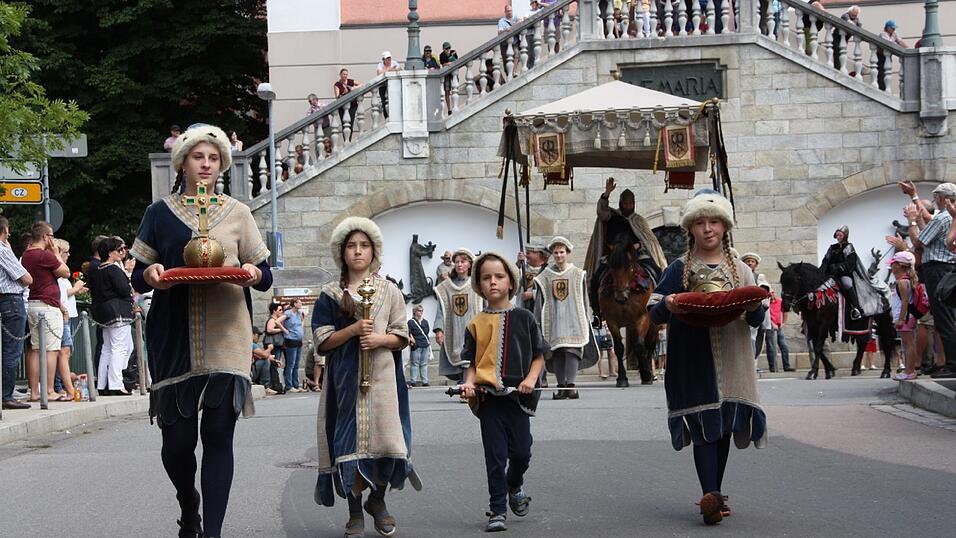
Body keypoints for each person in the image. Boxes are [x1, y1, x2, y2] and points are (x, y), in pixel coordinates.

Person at [130, 123, 273, 538]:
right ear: (183, 162)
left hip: (227, 331)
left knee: (217, 434)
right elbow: (140, 274)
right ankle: (187, 502)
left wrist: (251, 273)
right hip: (172, 332)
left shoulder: (239, 213)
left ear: (222, 163)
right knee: (177, 444)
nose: (206, 164)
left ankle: (213, 533)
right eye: (198, 157)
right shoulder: (159, 213)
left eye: (213, 157)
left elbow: (264, 274)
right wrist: (152, 274)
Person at [649, 189, 767, 525]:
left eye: (714, 221)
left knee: (724, 427)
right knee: (704, 428)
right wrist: (667, 304)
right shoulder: (678, 269)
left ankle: (714, 494)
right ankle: (711, 495)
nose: (707, 228)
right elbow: (654, 313)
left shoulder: (742, 270)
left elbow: (756, 320)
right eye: (700, 222)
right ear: (691, 228)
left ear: (725, 226)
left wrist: (753, 306)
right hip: (693, 358)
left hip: (732, 357)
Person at [311, 216, 421, 537]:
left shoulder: (391, 291)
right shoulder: (330, 294)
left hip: (384, 380)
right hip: (345, 382)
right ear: (342, 252)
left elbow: (401, 335)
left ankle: (378, 500)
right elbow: (322, 340)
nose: (358, 251)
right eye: (351, 246)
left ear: (374, 251)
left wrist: (379, 339)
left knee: (387, 442)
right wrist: (353, 330)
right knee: (350, 444)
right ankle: (354, 511)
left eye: (364, 245)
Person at [460, 251, 546, 532]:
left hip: (518, 399)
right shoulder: (475, 323)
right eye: (486, 278)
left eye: (499, 276)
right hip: (489, 402)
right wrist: (468, 384)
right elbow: (472, 364)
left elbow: (539, 356)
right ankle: (497, 510)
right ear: (479, 284)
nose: (493, 282)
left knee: (521, 453)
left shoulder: (525, 318)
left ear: (511, 281)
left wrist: (530, 379)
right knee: (495, 457)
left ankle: (515, 484)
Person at [585, 177, 666, 320]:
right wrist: (606, 194)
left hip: (636, 255)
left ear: (634, 204)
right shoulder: (612, 216)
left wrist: (638, 245)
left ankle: (659, 306)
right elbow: (601, 212)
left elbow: (647, 240)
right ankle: (597, 313)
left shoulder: (639, 220)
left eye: (630, 203)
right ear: (620, 203)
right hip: (613, 256)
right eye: (625, 203)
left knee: (657, 271)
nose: (628, 206)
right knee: (595, 279)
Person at [533, 236, 597, 399]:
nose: (559, 255)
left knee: (572, 351)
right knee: (557, 352)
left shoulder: (578, 274)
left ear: (567, 253)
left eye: (561, 252)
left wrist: (587, 316)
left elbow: (584, 298)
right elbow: (539, 301)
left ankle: (571, 386)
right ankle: (561, 386)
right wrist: (537, 320)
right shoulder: (545, 276)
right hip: (553, 319)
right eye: (556, 253)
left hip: (573, 318)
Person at [22, 221, 70, 402]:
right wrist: (56, 253)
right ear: (44, 237)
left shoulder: (26, 255)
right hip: (48, 306)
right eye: (51, 236)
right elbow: (65, 272)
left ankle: (34, 391)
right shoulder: (45, 255)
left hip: (33, 303)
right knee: (51, 350)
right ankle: (49, 390)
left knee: (35, 349)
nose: (53, 240)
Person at [89, 236, 135, 395]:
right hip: (118, 311)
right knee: (119, 348)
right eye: (119, 249)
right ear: (110, 253)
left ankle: (103, 384)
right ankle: (116, 384)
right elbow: (124, 290)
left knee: (107, 348)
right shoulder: (113, 269)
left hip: (103, 311)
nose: (123, 252)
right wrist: (128, 274)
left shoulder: (97, 270)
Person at [434, 248, 483, 381]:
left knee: (472, 358)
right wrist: (439, 330)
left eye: (463, 261)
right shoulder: (446, 287)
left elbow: (485, 306)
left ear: (470, 264)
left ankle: (468, 383)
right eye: (457, 262)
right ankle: (464, 383)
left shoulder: (478, 284)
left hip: (473, 328)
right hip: (454, 329)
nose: (459, 264)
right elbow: (442, 309)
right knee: (459, 359)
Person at [820, 225, 887, 321]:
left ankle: (855, 308)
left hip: (843, 274)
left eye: (840, 235)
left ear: (845, 236)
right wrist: (821, 271)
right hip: (830, 274)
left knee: (847, 284)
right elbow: (825, 260)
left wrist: (837, 267)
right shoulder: (832, 247)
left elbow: (851, 263)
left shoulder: (849, 247)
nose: (838, 237)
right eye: (837, 235)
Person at [0, 216, 32, 410]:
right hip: (11, 300)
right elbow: (26, 278)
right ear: (4, 231)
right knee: (12, 350)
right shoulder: (3, 250)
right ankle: (6, 395)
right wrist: (10, 251)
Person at [55, 239, 85, 399]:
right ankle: (62, 387)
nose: (68, 255)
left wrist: (77, 291)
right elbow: (60, 295)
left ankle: (62, 385)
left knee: (65, 351)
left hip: (68, 314)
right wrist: (76, 288)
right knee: (63, 351)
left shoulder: (63, 276)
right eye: (66, 252)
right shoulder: (59, 274)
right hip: (62, 315)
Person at [517, 244, 550, 312]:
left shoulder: (547, 272)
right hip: (522, 309)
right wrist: (518, 264)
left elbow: (549, 292)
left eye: (528, 253)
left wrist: (533, 294)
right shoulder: (523, 269)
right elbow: (513, 285)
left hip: (539, 311)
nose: (526, 256)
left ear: (541, 256)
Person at [283, 299, 305, 392]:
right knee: (291, 363)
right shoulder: (288, 313)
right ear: (294, 304)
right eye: (299, 302)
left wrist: (301, 328)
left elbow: (302, 322)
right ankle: (289, 385)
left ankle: (296, 385)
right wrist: (285, 330)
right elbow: (277, 321)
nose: (301, 304)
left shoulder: (299, 313)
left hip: (299, 340)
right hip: (291, 340)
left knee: (296, 363)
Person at [250, 326, 279, 395]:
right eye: (257, 335)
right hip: (249, 373)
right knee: (265, 361)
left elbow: (260, 355)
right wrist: (270, 348)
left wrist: (273, 359)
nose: (258, 338)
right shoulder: (252, 344)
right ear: (253, 334)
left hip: (248, 372)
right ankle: (265, 386)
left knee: (266, 360)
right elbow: (264, 355)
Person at [407, 304, 431, 386]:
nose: (421, 312)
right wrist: (411, 338)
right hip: (416, 345)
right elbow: (408, 331)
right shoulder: (411, 322)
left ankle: (425, 381)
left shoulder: (425, 321)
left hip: (425, 344)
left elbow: (427, 331)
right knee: (414, 363)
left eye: (422, 311)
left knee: (424, 363)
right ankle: (413, 381)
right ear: (415, 311)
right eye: (419, 310)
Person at [332, 70, 360, 136]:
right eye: (344, 74)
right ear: (340, 75)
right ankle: (346, 140)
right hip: (343, 108)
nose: (345, 76)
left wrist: (354, 88)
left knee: (351, 124)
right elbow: (337, 97)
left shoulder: (350, 81)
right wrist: (344, 93)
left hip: (352, 105)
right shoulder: (337, 84)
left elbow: (361, 84)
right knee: (345, 125)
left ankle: (349, 139)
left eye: (346, 74)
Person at [376, 52, 401, 120]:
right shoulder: (380, 65)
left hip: (393, 85)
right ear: (383, 60)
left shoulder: (394, 63)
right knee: (384, 102)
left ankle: (394, 116)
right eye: (387, 58)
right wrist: (390, 69)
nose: (389, 60)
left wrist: (386, 70)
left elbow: (399, 69)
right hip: (383, 86)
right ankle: (386, 117)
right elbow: (379, 73)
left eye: (390, 58)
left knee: (394, 101)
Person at [439, 43, 459, 114]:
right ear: (443, 49)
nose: (448, 50)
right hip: (447, 74)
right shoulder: (442, 55)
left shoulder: (453, 52)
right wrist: (449, 63)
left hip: (454, 73)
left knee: (455, 90)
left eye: (449, 48)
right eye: (446, 48)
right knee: (447, 91)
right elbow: (443, 65)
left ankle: (455, 106)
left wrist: (448, 63)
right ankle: (449, 109)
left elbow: (456, 61)